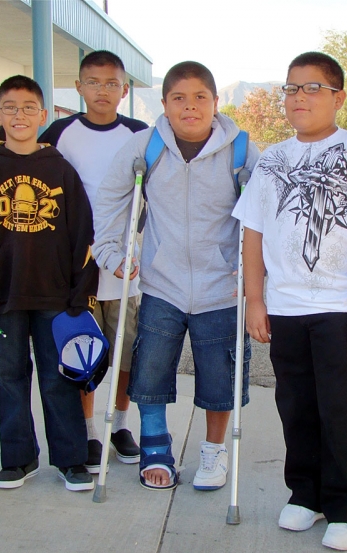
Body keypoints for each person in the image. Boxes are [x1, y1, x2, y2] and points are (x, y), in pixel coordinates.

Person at [0, 50, 148, 474]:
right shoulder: (59, 131)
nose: (102, 90)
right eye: (93, 82)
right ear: (78, 86)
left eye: (111, 82)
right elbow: (13, 146)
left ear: (124, 88)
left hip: (120, 264)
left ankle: (118, 424)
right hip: (64, 268)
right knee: (74, 354)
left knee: (124, 353)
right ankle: (87, 434)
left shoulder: (141, 133)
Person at [233, 52, 347, 551]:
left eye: (312, 88)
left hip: (341, 306)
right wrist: (255, 301)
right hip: (284, 306)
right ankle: (307, 493)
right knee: (296, 405)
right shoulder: (273, 159)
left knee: (345, 408)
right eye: (292, 88)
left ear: (337, 97)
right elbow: (252, 234)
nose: (299, 97)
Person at [92, 61, 260, 492]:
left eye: (200, 97)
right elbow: (111, 200)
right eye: (179, 98)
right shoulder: (144, 146)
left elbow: (265, 218)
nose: (190, 107)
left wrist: (258, 280)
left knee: (220, 378)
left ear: (215, 102)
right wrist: (111, 252)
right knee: (150, 369)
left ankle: (213, 451)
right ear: (164, 105)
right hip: (161, 283)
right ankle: (155, 444)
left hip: (222, 287)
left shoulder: (241, 150)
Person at [0, 75, 99, 492]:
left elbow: (82, 236)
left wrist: (82, 295)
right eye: (10, 107)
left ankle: (71, 459)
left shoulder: (59, 169)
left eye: (28, 107)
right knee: (10, 376)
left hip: (55, 296)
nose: (19, 115)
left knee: (59, 378)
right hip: (3, 297)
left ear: (43, 114)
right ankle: (18, 459)